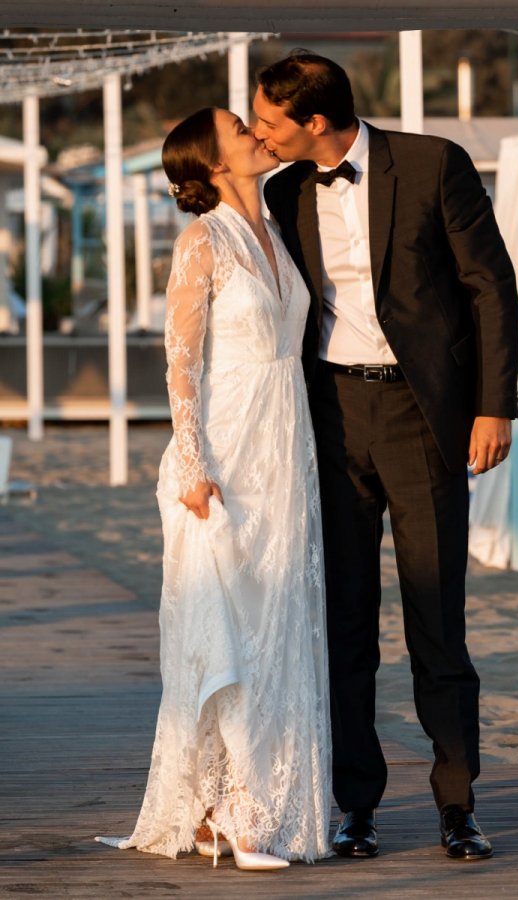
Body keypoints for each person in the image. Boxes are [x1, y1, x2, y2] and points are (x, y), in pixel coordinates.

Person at [253, 52, 518, 861]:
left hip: (421, 412)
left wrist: (493, 404)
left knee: (437, 618)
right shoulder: (281, 191)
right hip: (328, 416)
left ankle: (458, 804)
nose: (261, 136)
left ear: (318, 122)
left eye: (271, 122)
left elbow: (490, 287)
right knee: (345, 624)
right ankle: (355, 805)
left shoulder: (434, 163)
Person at [96, 107, 331, 868]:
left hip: (283, 449)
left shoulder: (277, 231)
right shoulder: (204, 241)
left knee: (277, 621)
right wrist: (192, 465)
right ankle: (235, 810)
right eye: (240, 128)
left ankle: (223, 808)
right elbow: (180, 357)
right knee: (230, 627)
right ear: (213, 161)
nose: (259, 134)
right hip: (224, 456)